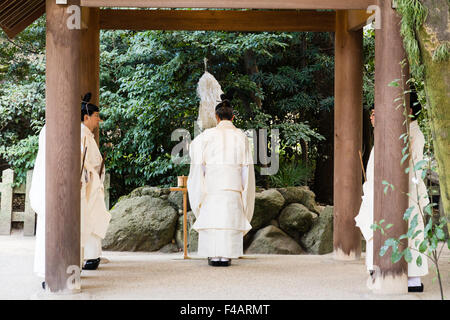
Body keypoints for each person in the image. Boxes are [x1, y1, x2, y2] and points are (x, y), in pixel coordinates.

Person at [355, 94, 429, 292]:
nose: (373, 117)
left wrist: (399, 189)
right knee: (379, 229)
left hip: (406, 193)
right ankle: (378, 268)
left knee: (410, 233)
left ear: (410, 111)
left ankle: (412, 277)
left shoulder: (414, 133)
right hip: (383, 190)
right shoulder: (396, 132)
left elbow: (415, 169)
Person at [187, 94, 255, 267]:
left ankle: (213, 255)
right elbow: (246, 167)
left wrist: (205, 174)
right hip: (232, 184)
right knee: (229, 218)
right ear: (232, 117)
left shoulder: (206, 136)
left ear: (216, 117)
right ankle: (226, 255)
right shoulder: (241, 137)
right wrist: (243, 187)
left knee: (213, 218)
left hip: (212, 184)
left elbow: (196, 155)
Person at [80, 93, 111, 271]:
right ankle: (90, 257)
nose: (98, 120)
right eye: (96, 116)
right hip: (87, 185)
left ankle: (93, 256)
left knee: (95, 218)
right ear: (86, 117)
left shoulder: (88, 136)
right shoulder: (81, 135)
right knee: (89, 219)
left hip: (94, 184)